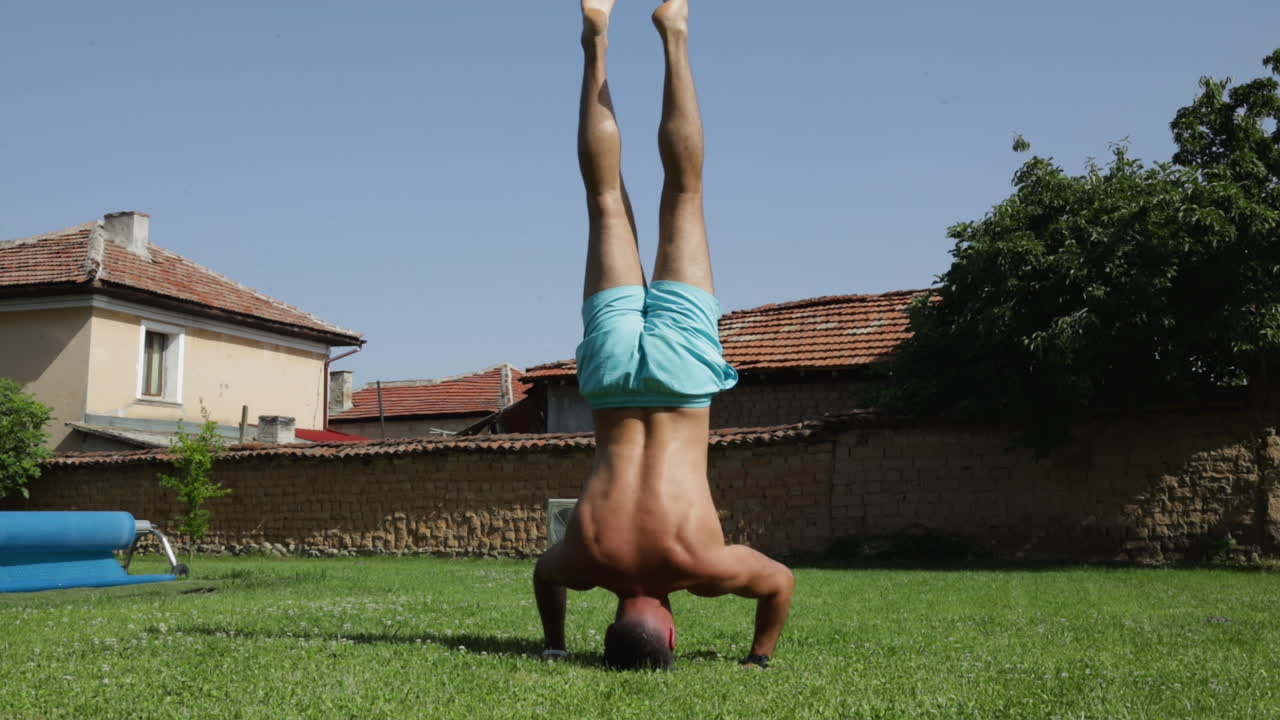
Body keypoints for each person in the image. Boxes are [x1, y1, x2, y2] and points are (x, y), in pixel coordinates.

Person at [533, 0, 795, 671]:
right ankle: (595, 43)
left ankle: (674, 31)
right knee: (603, 200)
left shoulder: (702, 566)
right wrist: (554, 642)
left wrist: (758, 657)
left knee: (685, 193)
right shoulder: (583, 559)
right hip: (613, 383)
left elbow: (780, 583)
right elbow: (544, 575)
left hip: (681, 382)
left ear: (672, 634)